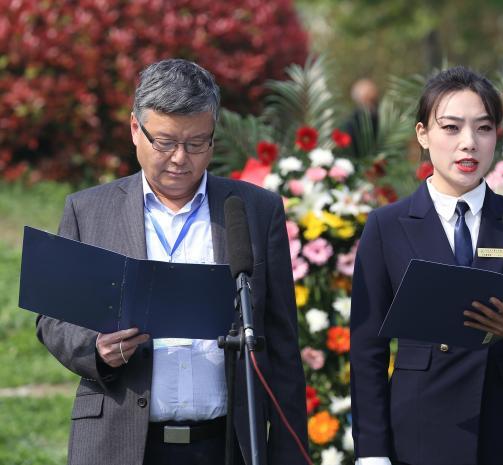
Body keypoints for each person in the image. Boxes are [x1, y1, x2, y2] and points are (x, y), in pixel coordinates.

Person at [36, 59, 308, 465]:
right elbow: (52, 319)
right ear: (135, 129)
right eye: (165, 142)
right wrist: (96, 349)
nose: (180, 158)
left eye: (197, 143)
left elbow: (282, 343)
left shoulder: (255, 210)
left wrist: (289, 454)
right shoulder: (88, 211)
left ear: (213, 137)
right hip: (120, 443)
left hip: (226, 444)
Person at [350, 66, 503, 465]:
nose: (469, 144)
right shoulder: (387, 226)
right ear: (423, 134)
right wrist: (372, 454)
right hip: (420, 436)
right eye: (451, 128)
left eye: (483, 128)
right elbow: (367, 349)